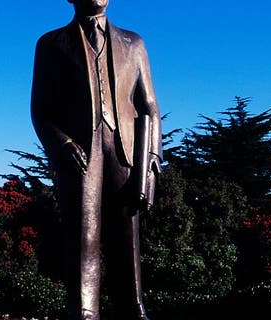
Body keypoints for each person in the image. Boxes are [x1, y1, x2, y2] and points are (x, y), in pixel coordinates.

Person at [30, 0, 162, 319]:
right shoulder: (50, 44)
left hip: (126, 154)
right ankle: (84, 312)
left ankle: (134, 310)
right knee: (82, 239)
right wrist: (61, 145)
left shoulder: (134, 43)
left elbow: (149, 108)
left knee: (127, 239)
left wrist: (151, 164)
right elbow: (40, 110)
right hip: (80, 156)